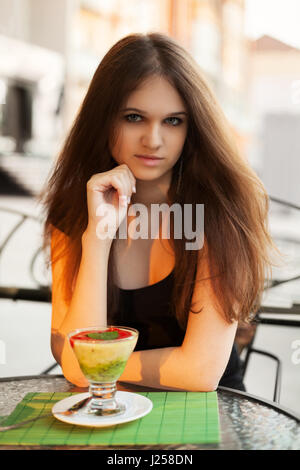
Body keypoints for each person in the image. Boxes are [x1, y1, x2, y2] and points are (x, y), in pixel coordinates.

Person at [41, 32, 280, 390]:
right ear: (103, 119)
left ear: (192, 127)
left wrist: (95, 366)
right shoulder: (74, 210)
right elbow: (70, 353)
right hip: (110, 410)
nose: (153, 139)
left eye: (173, 121)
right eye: (134, 117)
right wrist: (97, 238)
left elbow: (200, 373)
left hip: (211, 419)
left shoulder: (219, 210)